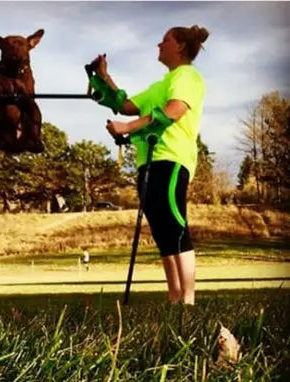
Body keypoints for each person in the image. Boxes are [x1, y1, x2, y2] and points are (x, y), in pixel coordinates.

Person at [91, 25, 209, 305]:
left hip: (171, 158)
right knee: (161, 229)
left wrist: (127, 128)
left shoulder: (186, 76)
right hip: (148, 163)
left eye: (165, 40)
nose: (159, 44)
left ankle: (189, 301)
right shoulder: (159, 85)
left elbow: (174, 111)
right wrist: (104, 76)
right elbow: (127, 105)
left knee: (175, 223)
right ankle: (175, 297)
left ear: (180, 46)